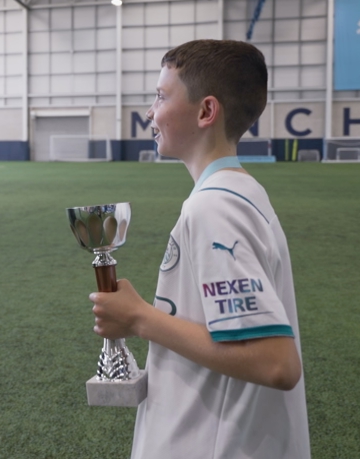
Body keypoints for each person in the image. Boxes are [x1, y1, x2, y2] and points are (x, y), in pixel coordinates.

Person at [89, 40, 310, 458]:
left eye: (160, 96)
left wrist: (139, 318)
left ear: (207, 111)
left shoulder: (214, 207)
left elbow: (275, 362)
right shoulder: (238, 193)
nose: (151, 112)